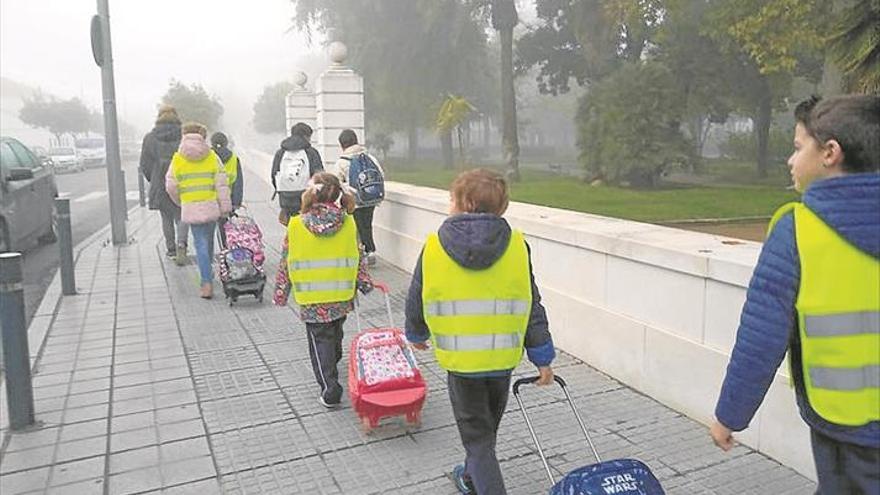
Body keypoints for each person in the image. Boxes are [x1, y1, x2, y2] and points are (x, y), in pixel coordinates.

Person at [710, 95, 879, 494]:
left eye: (799, 146)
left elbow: (761, 338)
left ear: (830, 153)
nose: (790, 159)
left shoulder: (796, 230)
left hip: (845, 426)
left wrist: (729, 414)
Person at [404, 168, 556, 495]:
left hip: (462, 364)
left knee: (477, 438)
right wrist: (542, 357)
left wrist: (416, 334)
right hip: (502, 360)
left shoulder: (433, 246)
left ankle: (482, 480)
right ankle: (472, 477)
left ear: (467, 203)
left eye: (452, 198)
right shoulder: (517, 245)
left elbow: (417, 294)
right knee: (485, 432)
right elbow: (531, 303)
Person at [273, 172, 373, 407]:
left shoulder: (296, 225)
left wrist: (280, 292)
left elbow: (285, 261)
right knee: (335, 333)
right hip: (341, 294)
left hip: (312, 298)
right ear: (338, 194)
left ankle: (330, 388)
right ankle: (334, 360)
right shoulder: (348, 222)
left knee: (320, 341)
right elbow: (358, 255)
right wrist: (365, 283)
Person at [165, 122, 232, 299]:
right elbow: (222, 184)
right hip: (210, 205)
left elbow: (170, 185)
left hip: (191, 206)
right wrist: (225, 207)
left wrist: (181, 201)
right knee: (208, 242)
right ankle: (207, 272)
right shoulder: (212, 156)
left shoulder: (178, 158)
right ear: (202, 135)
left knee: (199, 243)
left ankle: (206, 281)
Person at [139, 104, 188, 262]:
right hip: (180, 180)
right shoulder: (183, 136)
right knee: (181, 215)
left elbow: (145, 164)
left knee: (166, 217)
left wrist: (152, 178)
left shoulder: (150, 138)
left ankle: (171, 249)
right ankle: (182, 245)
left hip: (159, 182)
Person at [333, 129, 384, 265]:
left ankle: (362, 252)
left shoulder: (342, 162)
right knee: (367, 224)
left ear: (342, 145)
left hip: (353, 200)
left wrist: (346, 191)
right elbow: (381, 174)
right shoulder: (369, 157)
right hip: (370, 197)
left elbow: (336, 182)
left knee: (356, 227)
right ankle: (370, 250)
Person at [271, 122, 323, 223]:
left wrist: (281, 190)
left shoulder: (280, 153)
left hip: (286, 198)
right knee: (308, 225)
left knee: (291, 225)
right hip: (306, 196)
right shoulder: (311, 152)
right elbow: (319, 176)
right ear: (306, 136)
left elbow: (274, 175)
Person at [211, 132, 243, 247]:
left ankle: (210, 251)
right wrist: (236, 202)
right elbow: (238, 182)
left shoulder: (208, 158)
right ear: (226, 143)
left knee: (209, 227)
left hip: (211, 197)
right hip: (228, 197)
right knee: (224, 225)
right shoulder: (234, 158)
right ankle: (225, 248)